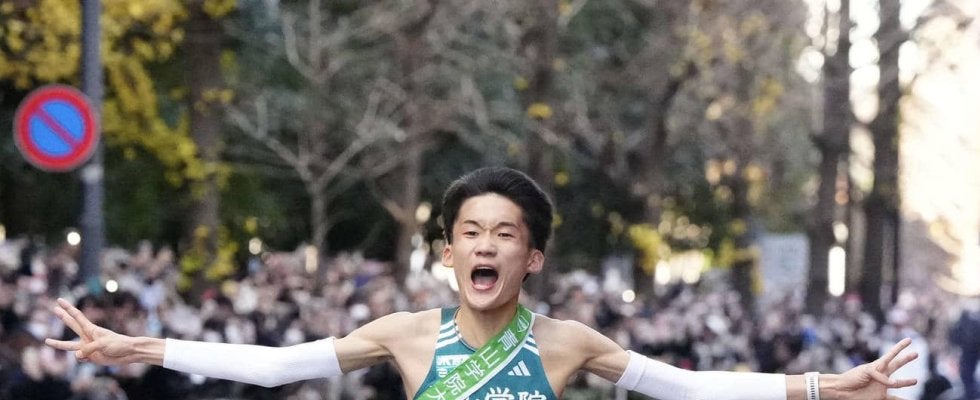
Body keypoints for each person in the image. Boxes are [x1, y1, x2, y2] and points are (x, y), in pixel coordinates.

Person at [47, 167, 920, 400]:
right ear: (448, 252)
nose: (486, 246)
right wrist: (137, 347)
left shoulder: (568, 344)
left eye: (506, 233)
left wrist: (826, 387)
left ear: (532, 258)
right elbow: (277, 367)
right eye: (471, 233)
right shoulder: (403, 335)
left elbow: (687, 387)